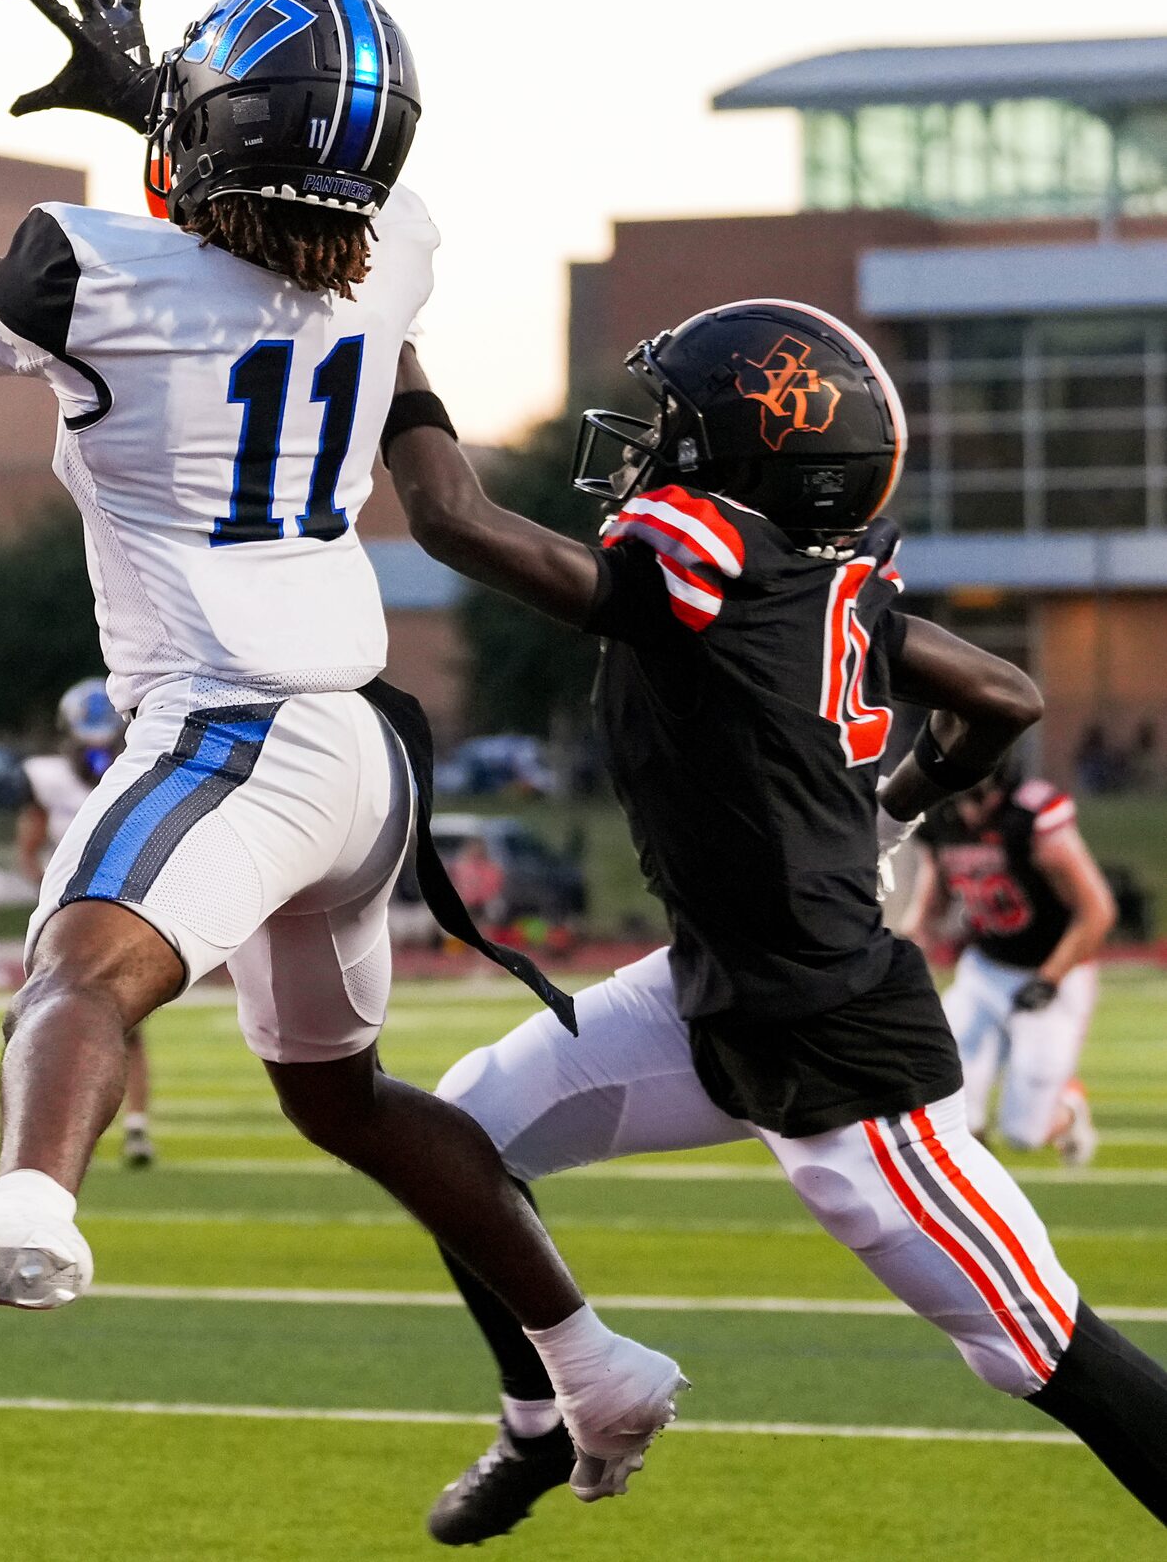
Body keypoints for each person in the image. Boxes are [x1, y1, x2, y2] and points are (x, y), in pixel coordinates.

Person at [0, 0, 688, 1507]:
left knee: (75, 973)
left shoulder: (98, 271)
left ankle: (31, 1215)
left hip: (230, 723)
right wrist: (159, 102)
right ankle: (593, 1363)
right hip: (360, 747)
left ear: (210, 134)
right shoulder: (396, 252)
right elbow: (301, 222)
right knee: (337, 1093)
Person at [380, 302, 1167, 1539]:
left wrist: (382, 336)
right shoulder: (812, 587)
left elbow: (449, 518)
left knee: (1050, 1351)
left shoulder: (722, 584)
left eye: (674, 431)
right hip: (714, 993)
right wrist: (889, 809)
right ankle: (542, 1412)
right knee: (460, 1138)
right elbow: (1002, 695)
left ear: (752, 459)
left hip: (838, 1050)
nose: (647, 453)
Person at [908, 768, 1114, 1166]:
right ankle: (977, 1194)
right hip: (984, 970)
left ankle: (1069, 1109)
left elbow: (1097, 910)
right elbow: (930, 906)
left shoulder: (1032, 817)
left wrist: (1049, 979)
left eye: (977, 800)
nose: (969, 814)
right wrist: (907, 954)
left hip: (1052, 973)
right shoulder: (939, 820)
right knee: (952, 1112)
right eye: (961, 802)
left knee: (1024, 1134)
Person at [20, 678, 152, 1168]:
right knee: (47, 1017)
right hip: (65, 914)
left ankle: (136, 1126)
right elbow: (28, 849)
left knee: (126, 1021)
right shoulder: (47, 778)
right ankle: (66, 1128)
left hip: (120, 904)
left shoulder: (138, 766)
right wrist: (48, 899)